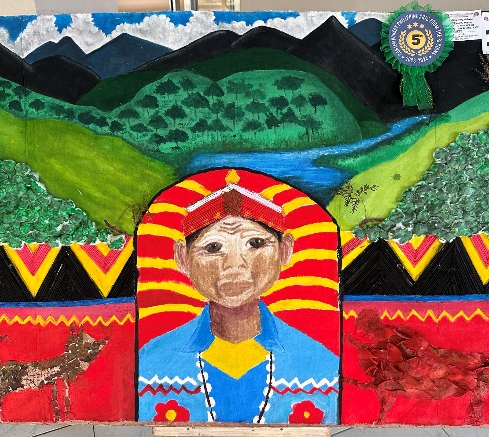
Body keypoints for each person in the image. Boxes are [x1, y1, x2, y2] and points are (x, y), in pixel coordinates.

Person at [138, 178, 339, 424]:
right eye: (213, 247)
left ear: (285, 250)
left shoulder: (321, 365)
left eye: (255, 243)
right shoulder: (151, 363)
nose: (234, 266)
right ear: (182, 257)